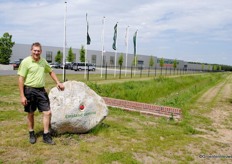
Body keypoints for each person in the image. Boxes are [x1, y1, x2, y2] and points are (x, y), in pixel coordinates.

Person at [18, 42, 65, 145]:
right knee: (31, 113)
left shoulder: (43, 61)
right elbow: (21, 79)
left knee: (47, 112)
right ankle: (31, 133)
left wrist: (58, 82)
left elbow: (50, 71)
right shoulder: (26, 62)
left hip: (41, 91)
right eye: (34, 50)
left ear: (41, 51)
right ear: (31, 50)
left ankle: (46, 135)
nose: (36, 52)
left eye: (38, 51)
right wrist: (22, 95)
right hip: (29, 90)